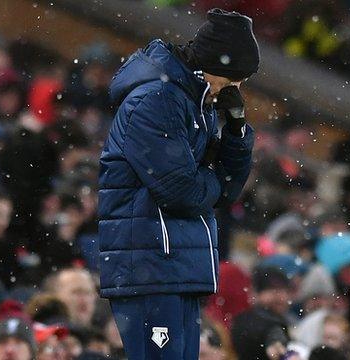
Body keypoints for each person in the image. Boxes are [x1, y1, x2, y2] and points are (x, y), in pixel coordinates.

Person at [98, 8, 258, 359]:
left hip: (177, 265)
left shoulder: (195, 103)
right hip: (149, 265)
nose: (237, 89)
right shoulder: (154, 101)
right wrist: (210, 182)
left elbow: (227, 189)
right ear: (216, 65)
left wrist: (235, 130)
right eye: (235, 79)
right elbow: (181, 192)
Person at [231, 267, 292, 360]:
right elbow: (263, 326)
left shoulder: (288, 319)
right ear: (255, 294)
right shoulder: (247, 319)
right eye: (273, 290)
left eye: (284, 290)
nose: (280, 296)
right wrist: (275, 338)